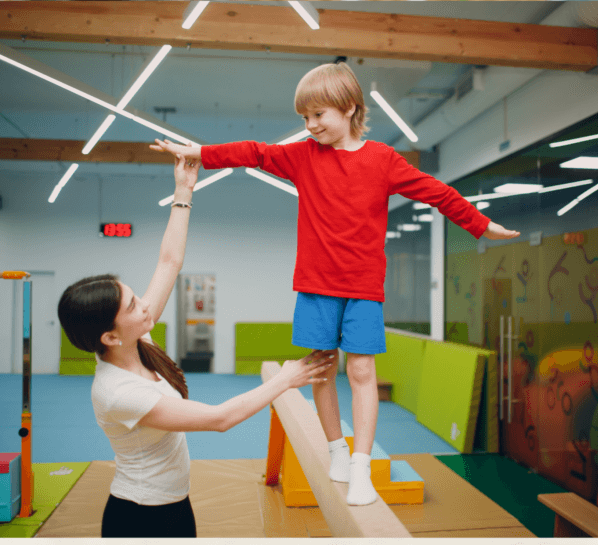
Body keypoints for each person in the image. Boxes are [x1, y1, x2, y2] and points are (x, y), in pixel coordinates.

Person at [150, 62, 520, 506]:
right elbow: (255, 152)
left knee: (362, 370)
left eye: (318, 115)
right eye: (304, 117)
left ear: (348, 108)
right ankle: (336, 450)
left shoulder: (383, 160)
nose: (310, 125)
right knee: (321, 370)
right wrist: (202, 152)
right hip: (316, 285)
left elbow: (435, 192)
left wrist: (480, 225)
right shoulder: (304, 156)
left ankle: (361, 464)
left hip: (364, 288)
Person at [57, 154, 335, 537]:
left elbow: (169, 262)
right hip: (140, 517)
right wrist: (285, 380)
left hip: (173, 504)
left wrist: (183, 191)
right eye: (134, 305)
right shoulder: (118, 391)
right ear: (109, 336)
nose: (146, 306)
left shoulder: (136, 341)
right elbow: (218, 420)